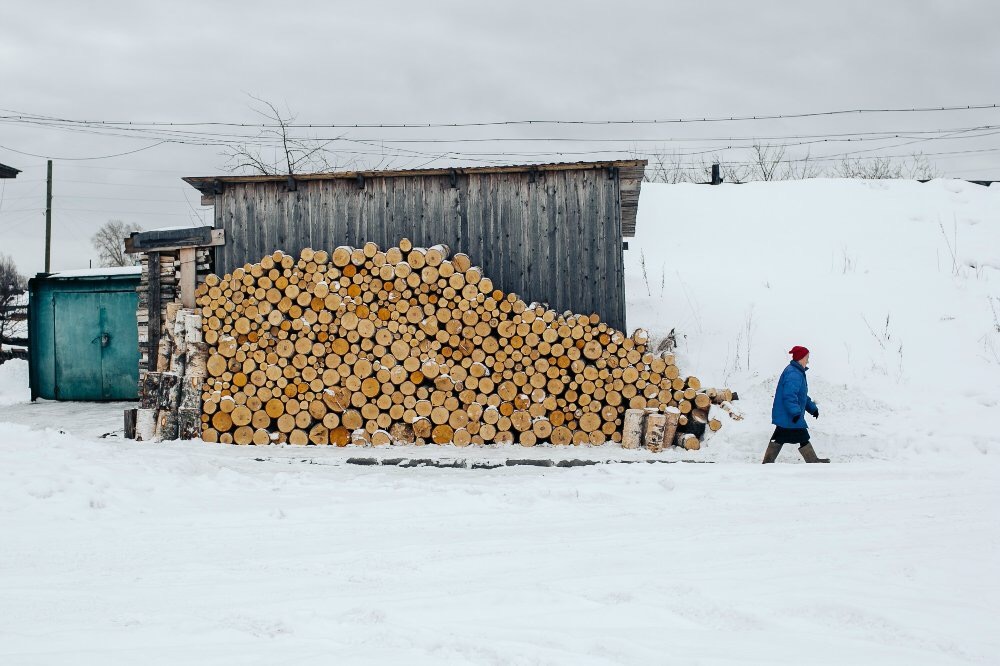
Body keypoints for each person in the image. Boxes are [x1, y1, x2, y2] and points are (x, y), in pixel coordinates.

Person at [763, 346, 830, 464]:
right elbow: (789, 395)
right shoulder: (793, 373)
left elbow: (801, 396)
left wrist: (812, 409)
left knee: (781, 437)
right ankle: (812, 460)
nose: (808, 361)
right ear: (801, 358)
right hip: (789, 415)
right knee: (801, 436)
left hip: (788, 415)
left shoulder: (796, 372)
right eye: (807, 358)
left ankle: (768, 462)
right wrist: (795, 412)